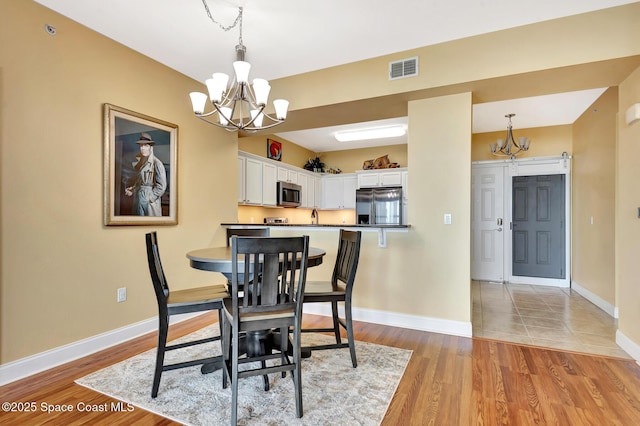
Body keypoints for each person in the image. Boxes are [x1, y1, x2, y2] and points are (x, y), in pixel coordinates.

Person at [125, 133, 167, 216]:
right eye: (141, 146)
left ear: (151, 147)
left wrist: (149, 198)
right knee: (138, 225)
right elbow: (141, 182)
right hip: (138, 200)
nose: (142, 148)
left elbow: (161, 186)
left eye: (145, 145)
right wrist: (133, 189)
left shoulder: (157, 163)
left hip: (149, 203)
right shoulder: (141, 163)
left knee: (150, 225)